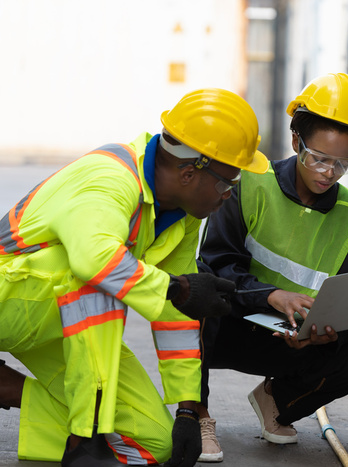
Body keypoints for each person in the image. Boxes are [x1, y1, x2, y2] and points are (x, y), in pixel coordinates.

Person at [0, 88, 269, 466]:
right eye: (228, 183)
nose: (228, 195)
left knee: (154, 443)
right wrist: (177, 287)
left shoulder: (183, 215)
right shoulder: (110, 177)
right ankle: (84, 437)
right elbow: (94, 259)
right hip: (10, 300)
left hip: (57, 318)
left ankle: (8, 389)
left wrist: (189, 411)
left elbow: (175, 310)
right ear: (190, 172)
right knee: (100, 275)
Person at [195, 73, 348, 463]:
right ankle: (197, 415)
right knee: (195, 301)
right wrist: (272, 296)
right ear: (296, 142)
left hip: (293, 342)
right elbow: (215, 264)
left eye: (342, 163)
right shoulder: (250, 184)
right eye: (319, 158)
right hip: (232, 325)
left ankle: (276, 401)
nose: (329, 172)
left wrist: (326, 336)